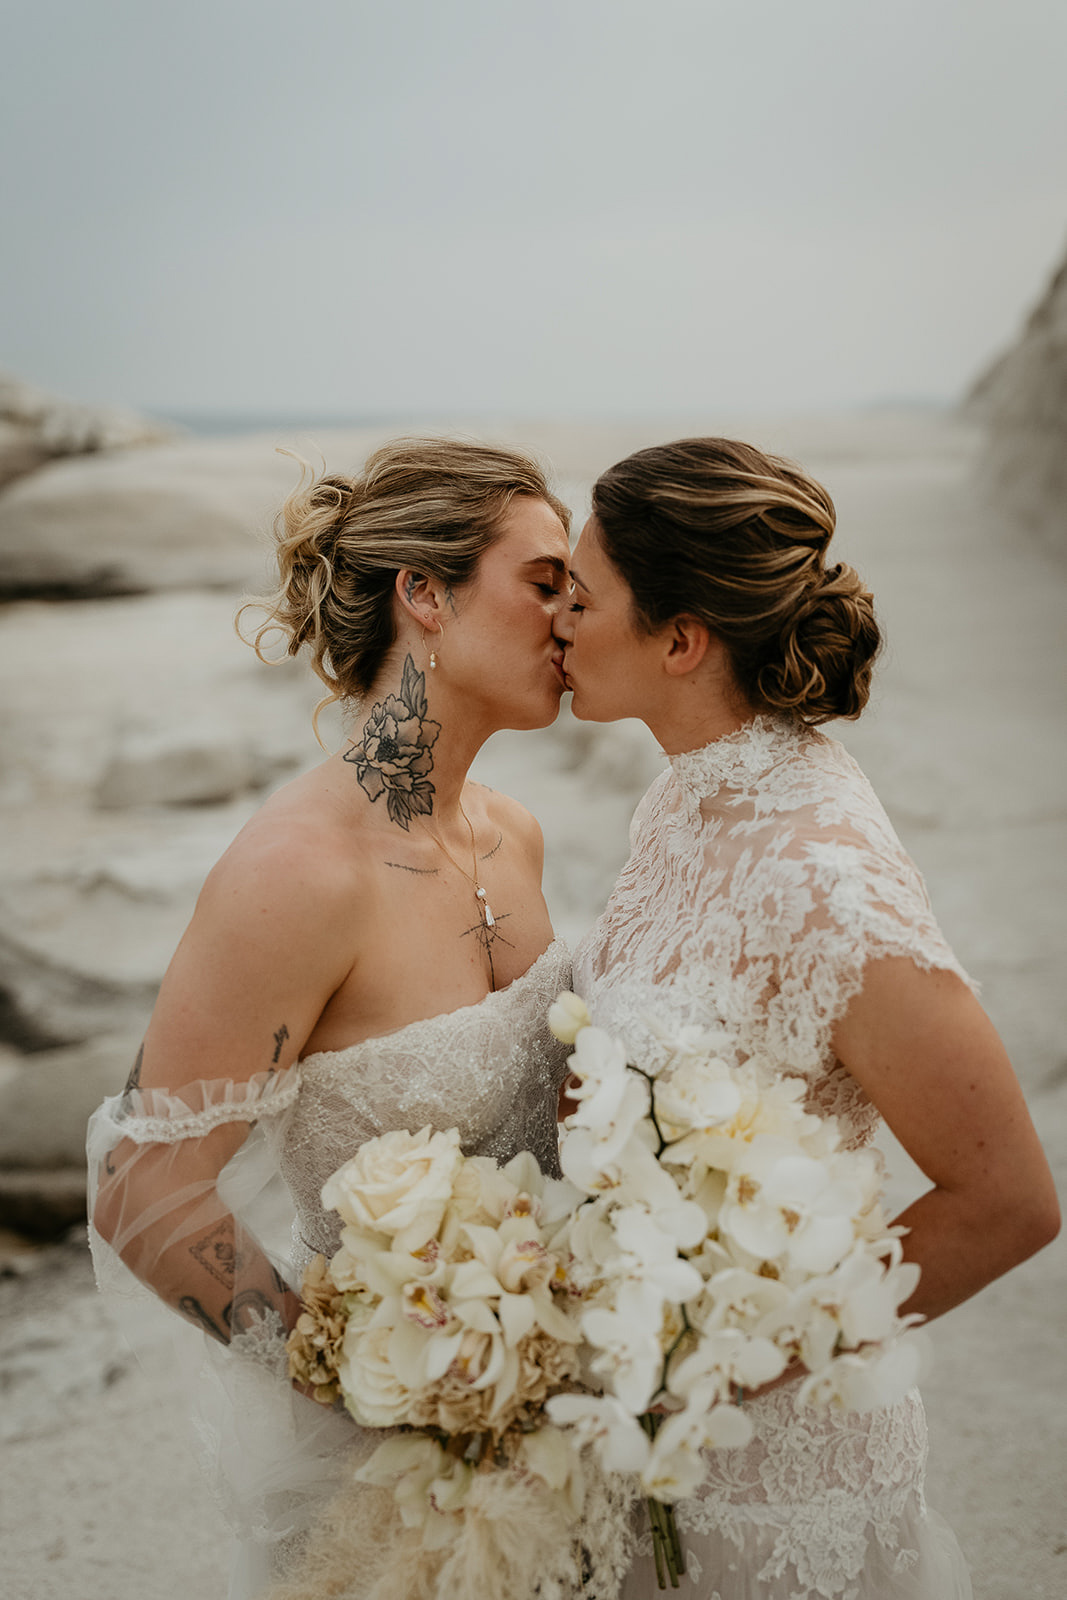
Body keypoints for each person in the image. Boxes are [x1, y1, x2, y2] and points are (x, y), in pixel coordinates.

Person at [553, 436, 1060, 1600]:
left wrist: (717, 1361)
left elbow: (1008, 1201)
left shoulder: (821, 875)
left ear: (680, 640)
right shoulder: (680, 795)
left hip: (775, 1476)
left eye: (580, 600)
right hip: (650, 1451)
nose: (556, 627)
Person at [86, 437, 578, 1597]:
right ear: (424, 594)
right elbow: (140, 1180)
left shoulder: (512, 834)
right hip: (394, 1476)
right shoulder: (298, 875)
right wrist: (356, 1378)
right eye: (542, 581)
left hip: (564, 1415)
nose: (570, 617)